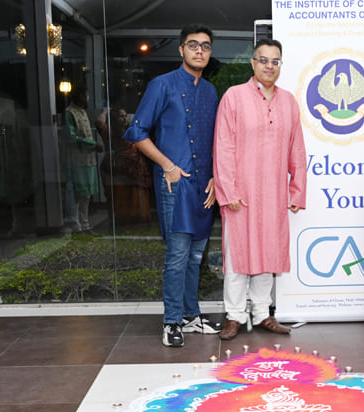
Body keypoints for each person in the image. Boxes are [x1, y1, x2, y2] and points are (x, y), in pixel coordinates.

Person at [123, 24, 220, 347]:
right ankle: (172, 321)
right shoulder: (161, 85)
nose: (199, 51)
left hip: (203, 186)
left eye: (205, 46)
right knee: (177, 256)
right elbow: (137, 133)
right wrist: (167, 166)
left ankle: (191, 316)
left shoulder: (210, 92)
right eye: (193, 45)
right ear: (181, 50)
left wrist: (215, 177)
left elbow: (215, 140)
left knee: (196, 257)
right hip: (174, 184)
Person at [213, 38, 307, 340]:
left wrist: (297, 191)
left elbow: (297, 149)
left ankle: (262, 313)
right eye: (263, 60)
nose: (269, 66)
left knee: (268, 255)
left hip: (273, 194)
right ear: (253, 63)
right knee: (238, 257)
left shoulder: (288, 101)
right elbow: (223, 147)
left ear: (280, 65)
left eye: (275, 61)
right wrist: (229, 191)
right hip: (240, 194)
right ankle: (235, 315)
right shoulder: (234, 97)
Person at [96, 107, 152, 225]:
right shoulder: (110, 132)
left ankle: (138, 219)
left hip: (135, 170)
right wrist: (105, 111)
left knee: (136, 193)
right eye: (121, 116)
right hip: (119, 170)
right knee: (121, 194)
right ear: (115, 118)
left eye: (125, 116)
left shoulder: (129, 130)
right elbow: (99, 123)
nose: (124, 118)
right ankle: (124, 221)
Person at [65, 86, 100, 232]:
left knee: (87, 192)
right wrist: (93, 144)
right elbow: (71, 137)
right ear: (79, 95)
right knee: (79, 192)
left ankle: (84, 223)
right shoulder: (69, 113)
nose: (88, 98)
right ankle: (76, 224)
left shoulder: (82, 112)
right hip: (77, 159)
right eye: (86, 95)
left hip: (88, 158)